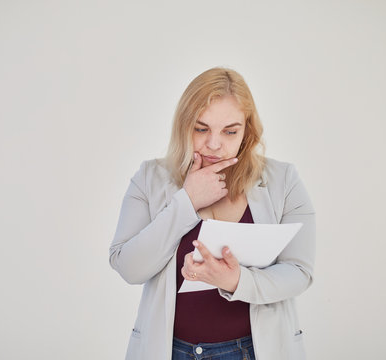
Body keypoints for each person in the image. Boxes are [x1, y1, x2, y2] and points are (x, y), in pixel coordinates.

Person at [109, 67, 315, 360]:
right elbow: (128, 266)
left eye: (230, 131)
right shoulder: (149, 178)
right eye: (201, 128)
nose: (214, 144)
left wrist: (235, 281)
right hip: (170, 351)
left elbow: (299, 272)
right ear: (183, 126)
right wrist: (187, 202)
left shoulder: (284, 180)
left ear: (247, 131)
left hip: (254, 351)